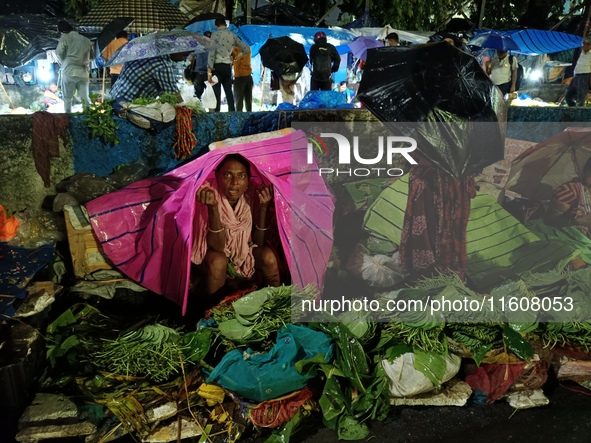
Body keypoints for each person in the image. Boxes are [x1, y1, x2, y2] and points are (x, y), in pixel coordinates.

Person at [192, 154, 280, 301]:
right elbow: (218, 247)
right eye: (228, 175)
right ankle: (213, 312)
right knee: (218, 261)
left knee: (268, 256)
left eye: (241, 176)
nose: (234, 183)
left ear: (247, 180)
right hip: (210, 254)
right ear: (217, 177)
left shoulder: (252, 193)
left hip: (243, 252)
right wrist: (213, 208)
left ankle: (277, 302)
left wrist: (264, 207)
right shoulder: (207, 194)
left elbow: (259, 242)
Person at [110, 51, 191, 104]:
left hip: (114, 95)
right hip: (127, 104)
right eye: (184, 55)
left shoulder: (143, 52)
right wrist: (187, 108)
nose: (183, 59)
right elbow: (175, 96)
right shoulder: (162, 65)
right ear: (176, 50)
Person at [208, 18, 250, 112]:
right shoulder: (232, 35)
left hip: (217, 67)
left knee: (216, 92)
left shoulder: (214, 35)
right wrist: (235, 58)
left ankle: (217, 114)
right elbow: (245, 50)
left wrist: (209, 72)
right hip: (227, 67)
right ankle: (232, 112)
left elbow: (211, 54)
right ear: (226, 25)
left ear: (216, 26)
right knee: (228, 91)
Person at [546, 157, 591, 238]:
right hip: (571, 242)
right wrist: (579, 221)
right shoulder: (570, 190)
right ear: (586, 172)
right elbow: (549, 221)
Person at [56, 20, 92, 113]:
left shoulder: (65, 36)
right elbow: (91, 56)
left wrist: (64, 62)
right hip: (83, 71)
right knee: (85, 98)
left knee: (67, 98)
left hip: (69, 71)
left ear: (62, 31)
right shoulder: (86, 39)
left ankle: (68, 119)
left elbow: (59, 52)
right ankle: (88, 116)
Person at [565, 38, 591, 107]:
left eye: (584, 45)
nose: (583, 46)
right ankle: (573, 109)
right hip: (576, 75)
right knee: (568, 96)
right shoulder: (581, 52)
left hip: (585, 75)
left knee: (581, 97)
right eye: (582, 45)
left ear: (589, 46)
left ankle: (580, 112)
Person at [231, 45, 253, 112]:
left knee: (239, 101)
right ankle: (250, 118)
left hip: (239, 77)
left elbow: (234, 61)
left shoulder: (235, 49)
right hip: (248, 76)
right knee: (248, 100)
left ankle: (239, 119)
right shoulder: (248, 47)